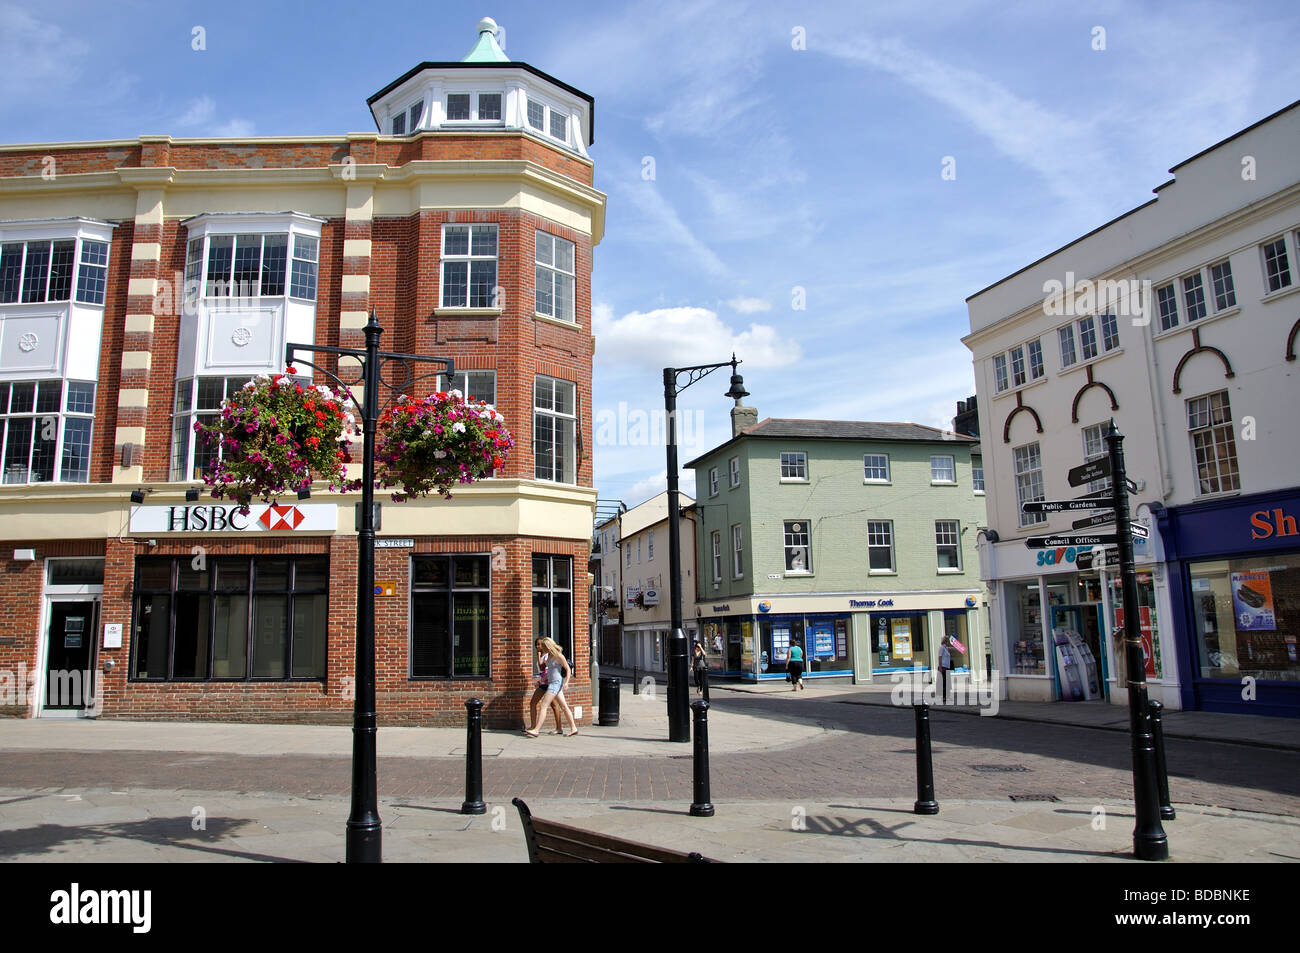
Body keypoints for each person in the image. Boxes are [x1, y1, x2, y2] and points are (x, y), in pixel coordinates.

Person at [523, 637, 579, 737]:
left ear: (548, 646)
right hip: (552, 682)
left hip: (556, 683)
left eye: (543, 647)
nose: (541, 649)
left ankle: (536, 730)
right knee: (564, 706)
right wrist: (540, 681)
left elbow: (567, 669)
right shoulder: (549, 656)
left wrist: (566, 682)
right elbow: (549, 672)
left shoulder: (558, 656)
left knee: (544, 705)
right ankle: (573, 728)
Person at [528, 645, 566, 734]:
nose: (538, 646)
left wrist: (538, 656)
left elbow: (542, 667)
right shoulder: (543, 655)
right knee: (533, 702)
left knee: (554, 705)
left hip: (550, 682)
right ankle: (533, 726)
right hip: (543, 681)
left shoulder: (548, 655)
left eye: (540, 645)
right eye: (536, 644)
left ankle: (559, 728)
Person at [938, 634, 953, 703]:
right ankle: (944, 697)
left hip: (947, 667)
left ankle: (947, 696)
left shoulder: (946, 648)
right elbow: (940, 657)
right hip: (943, 667)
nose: (949, 642)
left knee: (947, 682)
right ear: (945, 641)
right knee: (944, 682)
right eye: (947, 640)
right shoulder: (941, 648)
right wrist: (940, 667)